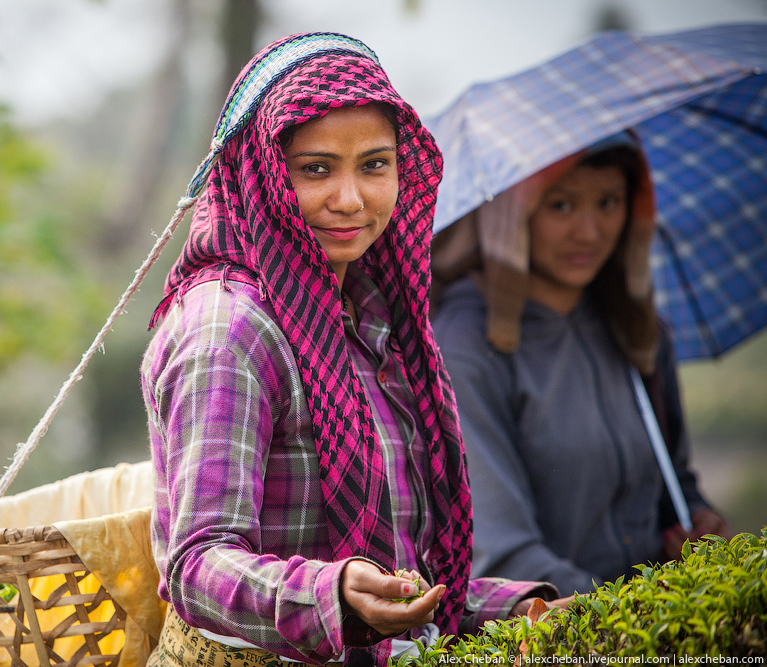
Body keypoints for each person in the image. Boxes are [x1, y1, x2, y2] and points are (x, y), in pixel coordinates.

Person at [140, 33, 559, 667]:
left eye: (373, 164)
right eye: (315, 169)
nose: (350, 199)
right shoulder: (230, 330)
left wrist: (509, 608)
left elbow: (398, 577)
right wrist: (328, 592)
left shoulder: (368, 316)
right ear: (261, 172)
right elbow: (197, 563)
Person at [429, 131, 730, 598]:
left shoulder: (635, 328)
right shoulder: (465, 345)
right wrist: (637, 618)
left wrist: (695, 522)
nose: (588, 232)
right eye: (561, 206)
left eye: (608, 202)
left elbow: (673, 482)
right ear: (513, 211)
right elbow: (502, 553)